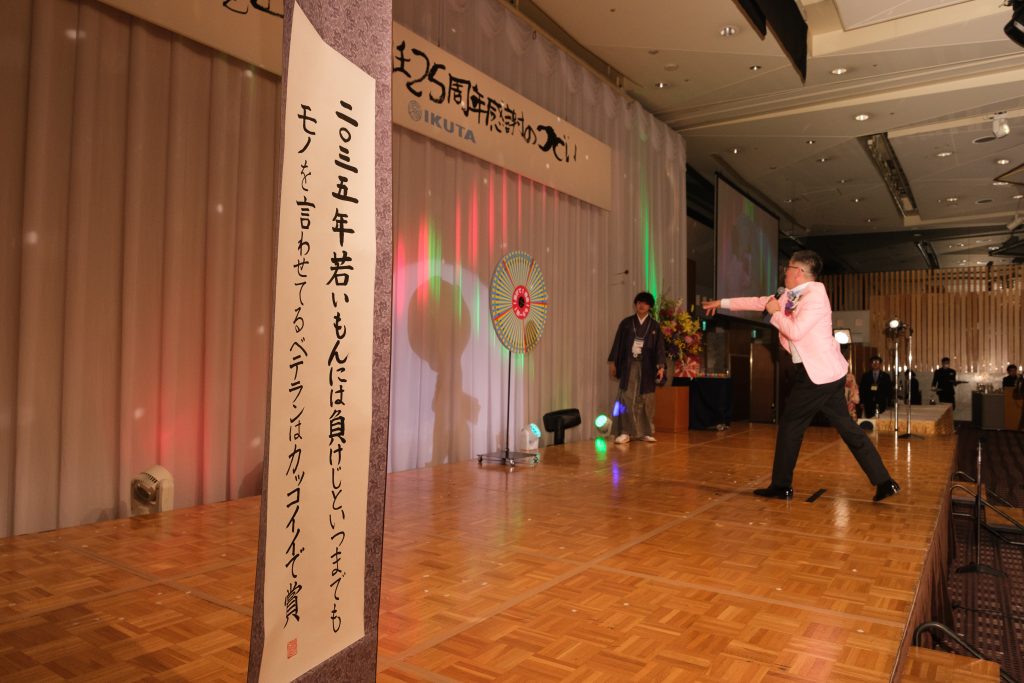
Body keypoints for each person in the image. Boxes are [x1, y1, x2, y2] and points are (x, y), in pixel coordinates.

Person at [702, 250, 899, 502]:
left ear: (799, 272)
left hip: (817, 375)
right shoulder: (792, 294)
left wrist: (775, 313)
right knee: (847, 428)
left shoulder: (815, 297)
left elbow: (795, 331)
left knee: (791, 426)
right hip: (826, 373)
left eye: (788, 267)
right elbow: (760, 301)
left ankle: (781, 485)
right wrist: (722, 303)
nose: (784, 271)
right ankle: (884, 482)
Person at [608, 291, 666, 444]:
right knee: (626, 397)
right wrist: (613, 362)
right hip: (629, 365)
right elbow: (618, 343)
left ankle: (644, 432)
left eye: (645, 303)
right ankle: (625, 432)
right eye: (639, 302)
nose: (642, 305)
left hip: (647, 366)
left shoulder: (654, 326)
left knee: (646, 398)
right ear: (635, 304)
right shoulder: (626, 323)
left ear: (650, 307)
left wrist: (661, 366)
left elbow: (660, 348)